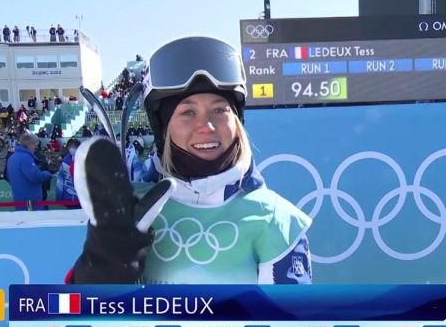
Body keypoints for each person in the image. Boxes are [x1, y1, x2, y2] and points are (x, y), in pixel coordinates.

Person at [67, 36, 313, 284]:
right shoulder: (132, 207)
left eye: (219, 110)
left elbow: (291, 320)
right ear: (164, 129)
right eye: (187, 112)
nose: (205, 126)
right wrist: (105, 260)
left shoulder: (276, 219)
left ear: (237, 122)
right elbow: (79, 314)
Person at [6, 133, 53, 210]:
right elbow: (35, 176)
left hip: (19, 197)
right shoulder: (26, 158)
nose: (35, 148)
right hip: (30, 200)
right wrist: (47, 174)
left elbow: (9, 177)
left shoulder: (12, 157)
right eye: (35, 145)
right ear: (30, 145)